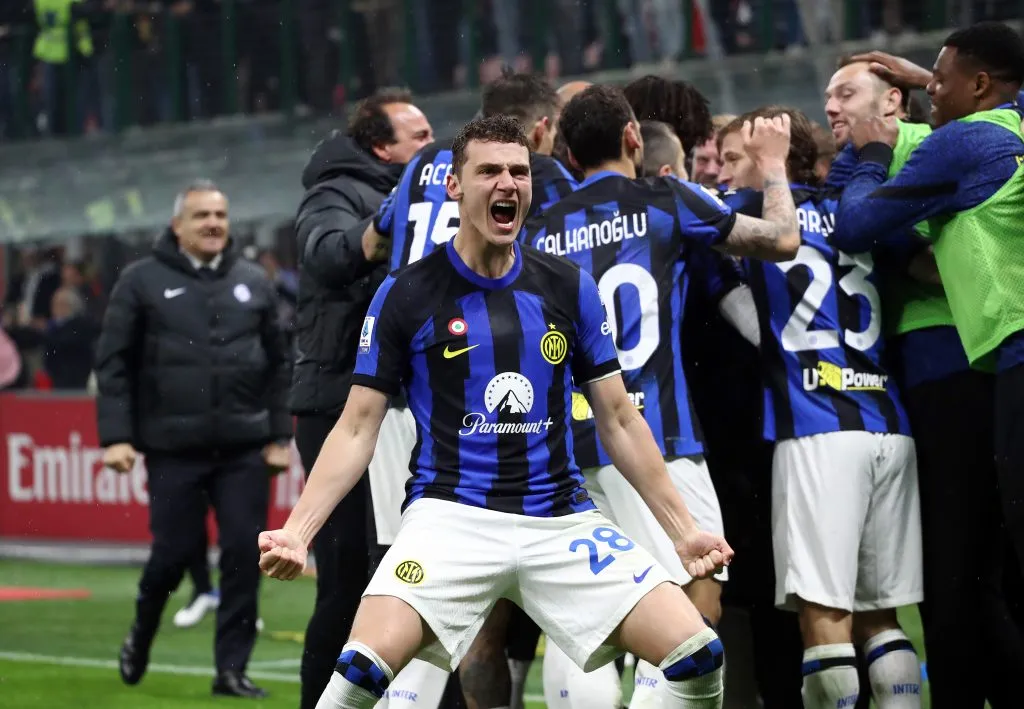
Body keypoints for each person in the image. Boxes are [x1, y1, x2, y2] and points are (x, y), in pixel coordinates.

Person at [256, 114, 783, 709]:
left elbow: (618, 418)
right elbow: (356, 427)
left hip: (560, 519)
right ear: (455, 186)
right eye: (489, 171)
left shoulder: (567, 286)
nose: (508, 183)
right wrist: (298, 533)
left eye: (518, 171)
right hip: (450, 519)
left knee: (696, 657)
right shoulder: (406, 292)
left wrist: (683, 531)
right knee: (359, 674)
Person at [521, 85, 800, 709]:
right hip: (658, 437)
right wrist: (777, 168)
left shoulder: (537, 231)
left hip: (563, 448)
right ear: (633, 140)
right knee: (695, 595)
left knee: (588, 617)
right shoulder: (666, 199)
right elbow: (782, 239)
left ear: (566, 155)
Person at [361, 69, 579, 709]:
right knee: (467, 593)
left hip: (402, 390)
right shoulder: (542, 180)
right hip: (478, 394)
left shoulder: (422, 166)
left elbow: (374, 239)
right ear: (541, 130)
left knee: (417, 585)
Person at [831, 26, 1024, 707]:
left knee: (980, 562)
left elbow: (853, 226)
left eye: (940, 80)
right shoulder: (1008, 127)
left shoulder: (957, 142)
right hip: (994, 365)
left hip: (997, 362)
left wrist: (876, 149)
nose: (928, 88)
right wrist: (930, 80)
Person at [717, 106, 926, 709]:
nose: (727, 177)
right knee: (881, 619)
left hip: (816, 431)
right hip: (887, 424)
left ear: (768, 158)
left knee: (823, 618)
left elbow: (758, 329)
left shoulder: (753, 216)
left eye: (736, 160)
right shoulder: (857, 217)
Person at [96, 181, 292, 699]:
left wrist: (279, 436)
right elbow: (113, 363)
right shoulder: (140, 281)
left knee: (242, 558)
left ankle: (230, 670)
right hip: (171, 449)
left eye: (221, 214)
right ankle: (142, 630)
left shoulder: (255, 281)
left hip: (244, 449)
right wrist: (116, 437)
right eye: (201, 214)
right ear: (176, 225)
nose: (213, 223)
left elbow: (281, 363)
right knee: (173, 554)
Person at [291, 87, 434, 709]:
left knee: (420, 579)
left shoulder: (433, 199)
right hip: (337, 409)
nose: (433, 146)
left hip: (402, 408)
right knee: (348, 582)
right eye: (419, 136)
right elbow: (328, 257)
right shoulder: (334, 193)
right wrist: (387, 217)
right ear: (381, 146)